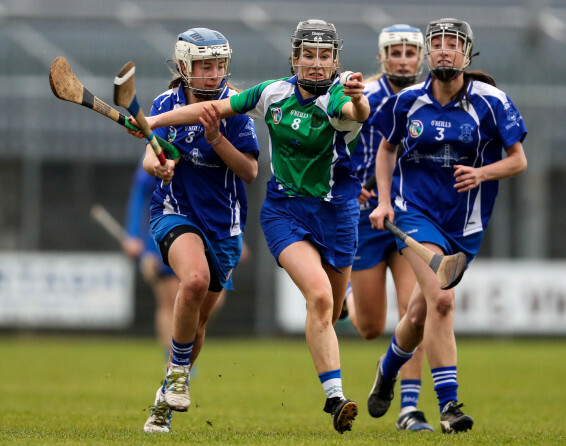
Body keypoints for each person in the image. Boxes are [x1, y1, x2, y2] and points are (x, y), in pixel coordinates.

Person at [141, 19, 370, 434]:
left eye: (324, 57)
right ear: (294, 58)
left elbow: (353, 113)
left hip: (304, 220)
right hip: (262, 213)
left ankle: (165, 393)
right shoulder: (268, 93)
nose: (316, 65)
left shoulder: (332, 99)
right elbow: (182, 132)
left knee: (327, 311)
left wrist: (359, 99)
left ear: (335, 61)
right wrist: (154, 133)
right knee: (203, 282)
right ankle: (334, 397)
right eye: (308, 55)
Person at [366, 18, 527, 434]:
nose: (443, 51)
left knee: (420, 312)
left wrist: (482, 174)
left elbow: (518, 160)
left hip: (466, 224)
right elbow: (386, 150)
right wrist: (385, 201)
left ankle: (387, 369)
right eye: (436, 43)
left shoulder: (491, 101)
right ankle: (449, 406)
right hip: (415, 213)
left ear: (467, 53)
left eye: (452, 45)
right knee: (442, 301)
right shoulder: (408, 101)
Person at [135, 28, 260, 434]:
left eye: (219, 64)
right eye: (205, 65)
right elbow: (148, 161)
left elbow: (250, 171)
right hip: (175, 212)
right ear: (185, 67)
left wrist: (216, 139)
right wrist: (162, 165)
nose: (213, 73)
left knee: (198, 325)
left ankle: (164, 400)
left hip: (224, 227)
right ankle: (175, 376)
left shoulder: (235, 107)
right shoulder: (165, 103)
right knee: (193, 280)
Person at [344, 24, 433, 432]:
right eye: (394, 52)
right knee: (370, 327)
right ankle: (347, 300)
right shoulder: (365, 98)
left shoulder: (432, 98)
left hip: (408, 215)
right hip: (366, 217)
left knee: (414, 311)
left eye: (409, 52)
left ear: (421, 58)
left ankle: (409, 409)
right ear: (382, 57)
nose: (402, 59)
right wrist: (350, 183)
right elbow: (333, 145)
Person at [122, 160, 180, 356]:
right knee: (169, 300)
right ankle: (172, 357)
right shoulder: (157, 149)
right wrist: (133, 234)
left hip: (195, 233)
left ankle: (181, 352)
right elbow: (139, 193)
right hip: (159, 239)